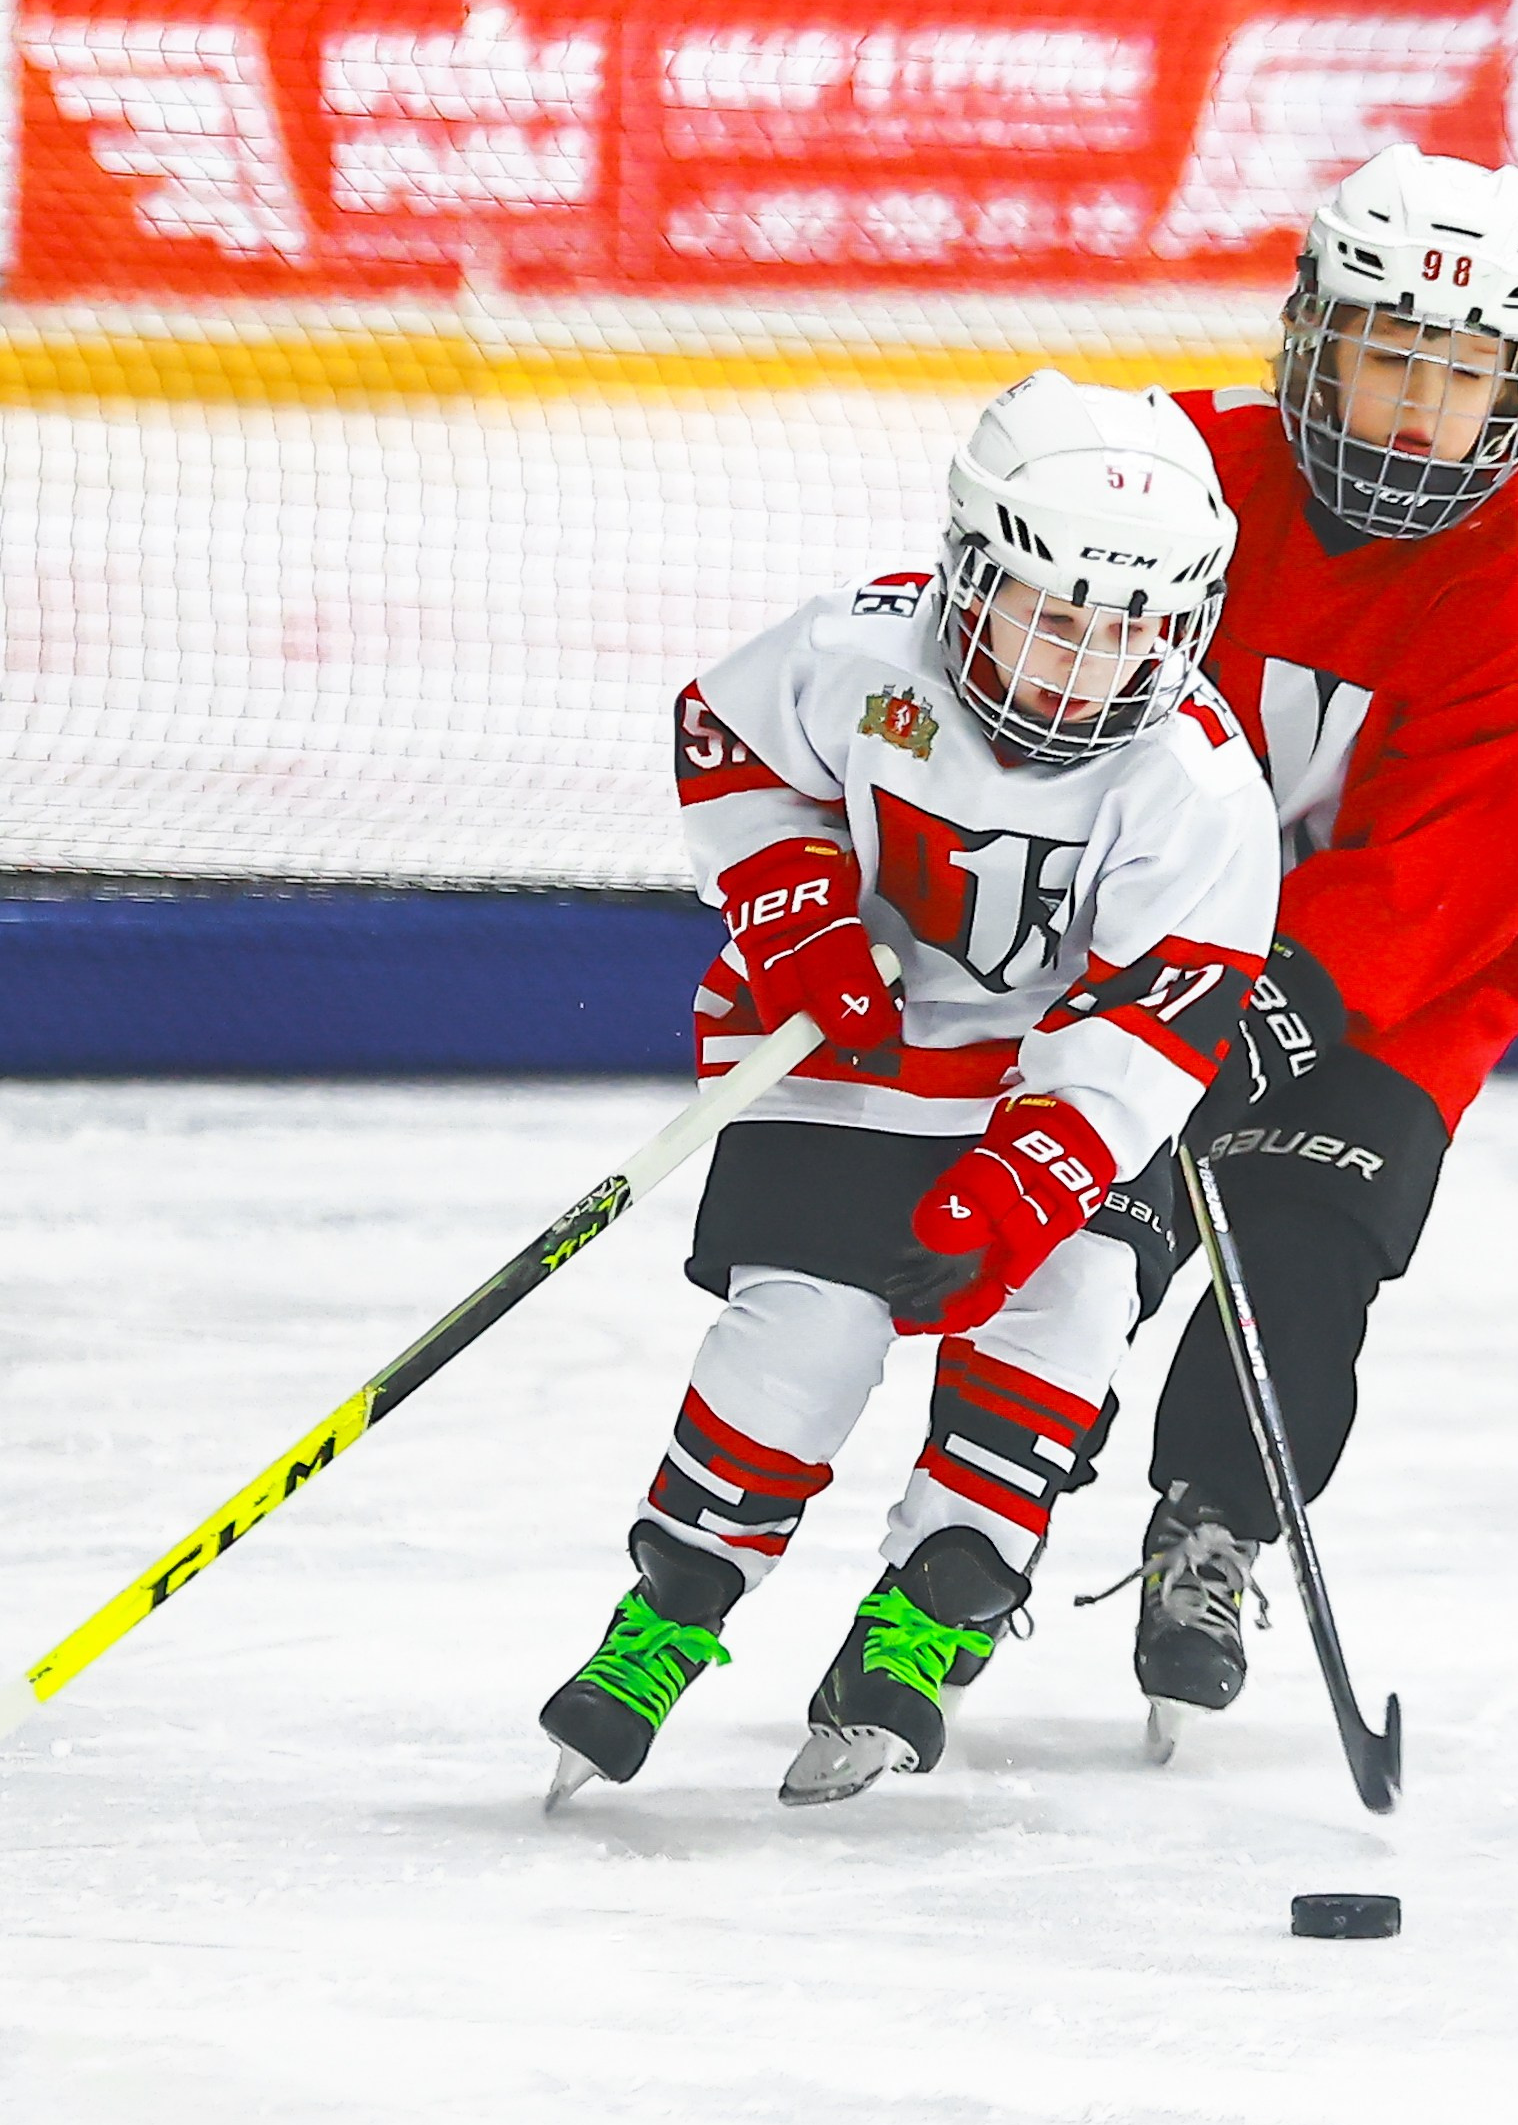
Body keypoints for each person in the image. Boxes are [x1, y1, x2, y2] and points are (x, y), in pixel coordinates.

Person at [538, 369, 1280, 1808]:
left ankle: (931, 1613)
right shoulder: (857, 654)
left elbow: (1159, 1008)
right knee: (798, 1342)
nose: (1086, 665)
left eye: (1131, 628)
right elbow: (727, 739)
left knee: (1065, 1316)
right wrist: (798, 907)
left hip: (1042, 1101)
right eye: (1055, 616)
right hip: (845, 1062)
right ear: (972, 574)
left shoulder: (1194, 784)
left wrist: (1037, 1166)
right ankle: (669, 1611)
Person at [1089, 143, 1518, 1754]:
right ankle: (977, 1519)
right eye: (1387, 350)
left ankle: (1214, 1526)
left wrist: (1259, 1015)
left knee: (1304, 1255)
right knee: (1075, 1242)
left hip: (1385, 1015)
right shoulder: (1164, 477)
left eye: (1461, 371)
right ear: (1310, 337)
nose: (1416, 402)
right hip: (1134, 966)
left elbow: (1426, 893)